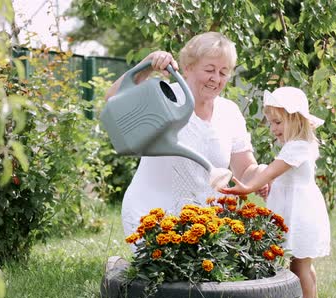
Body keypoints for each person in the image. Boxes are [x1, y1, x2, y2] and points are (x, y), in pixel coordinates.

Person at [105, 32, 266, 249]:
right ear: (188, 67)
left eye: (223, 72)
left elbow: (245, 170)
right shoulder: (164, 96)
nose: (216, 78)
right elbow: (113, 100)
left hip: (206, 222)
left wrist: (264, 174)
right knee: (168, 282)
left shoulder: (230, 112)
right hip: (152, 217)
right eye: (209, 70)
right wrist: (148, 64)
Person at [219, 86, 331, 298]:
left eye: (278, 122)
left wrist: (248, 187)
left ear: (296, 120)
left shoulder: (296, 147)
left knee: (299, 267)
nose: (273, 128)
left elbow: (272, 171)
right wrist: (268, 184)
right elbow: (278, 176)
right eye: (270, 122)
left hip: (299, 213)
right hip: (298, 209)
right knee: (302, 263)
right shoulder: (297, 145)